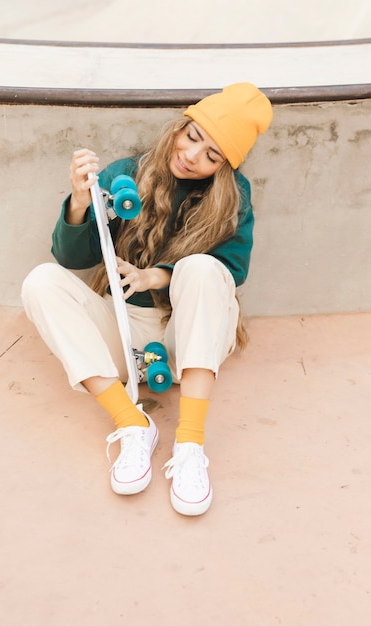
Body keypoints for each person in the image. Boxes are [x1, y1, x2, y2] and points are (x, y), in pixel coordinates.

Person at [21, 82, 273, 516]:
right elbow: (71, 257)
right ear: (181, 126)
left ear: (224, 167)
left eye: (212, 155)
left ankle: (191, 444)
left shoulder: (233, 197)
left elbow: (232, 269)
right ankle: (133, 424)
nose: (193, 156)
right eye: (192, 137)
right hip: (124, 333)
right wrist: (81, 203)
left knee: (202, 268)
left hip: (189, 335)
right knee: (42, 281)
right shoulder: (129, 173)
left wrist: (158, 275)